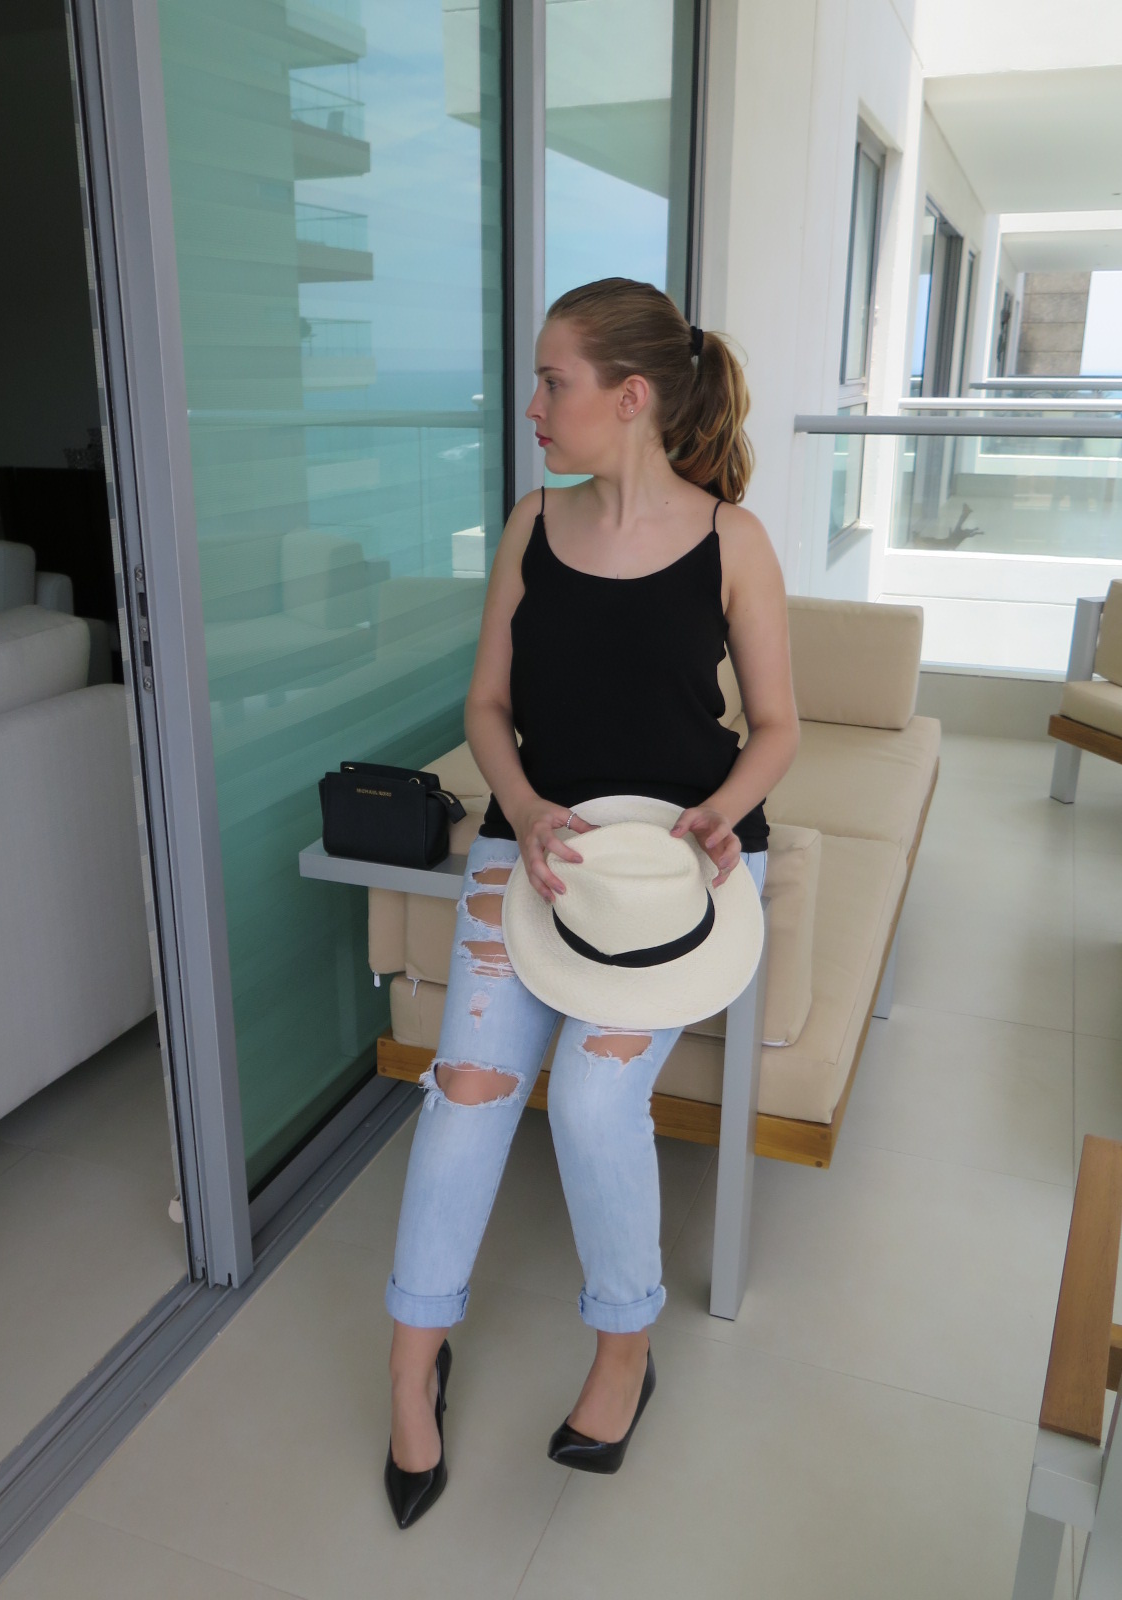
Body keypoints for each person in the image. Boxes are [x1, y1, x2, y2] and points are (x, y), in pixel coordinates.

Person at [383, 276, 800, 1528]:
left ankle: (626, 1347)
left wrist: (720, 812)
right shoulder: (530, 524)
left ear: (630, 398)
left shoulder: (734, 542)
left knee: (594, 1100)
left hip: (681, 865)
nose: (531, 405)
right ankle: (412, 1365)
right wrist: (520, 805)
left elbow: (777, 727)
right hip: (540, 845)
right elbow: (485, 707)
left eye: (551, 381)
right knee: (467, 1092)